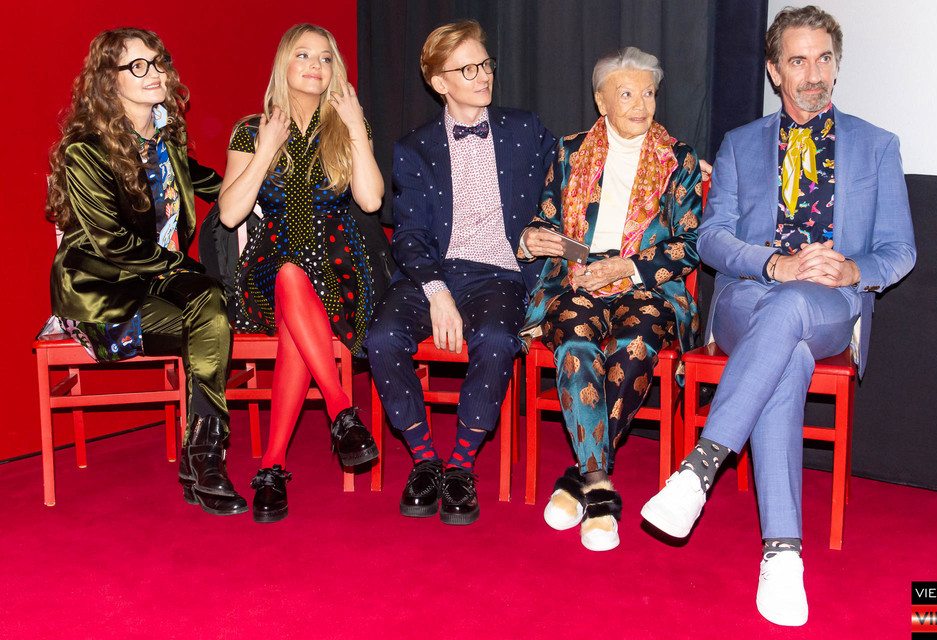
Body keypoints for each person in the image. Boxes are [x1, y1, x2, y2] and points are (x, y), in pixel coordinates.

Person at [641, 5, 916, 626]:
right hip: (746, 295)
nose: (812, 74)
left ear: (837, 66)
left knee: (792, 316)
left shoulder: (877, 145)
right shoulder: (740, 145)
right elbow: (712, 239)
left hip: (828, 304)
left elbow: (900, 249)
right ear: (774, 71)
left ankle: (700, 469)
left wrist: (850, 270)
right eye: (798, 60)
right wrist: (774, 264)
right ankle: (783, 555)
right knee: (783, 337)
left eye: (824, 59)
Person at [46, 28, 247, 516]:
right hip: (102, 292)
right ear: (107, 80)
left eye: (158, 62)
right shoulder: (86, 151)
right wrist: (186, 267)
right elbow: (112, 243)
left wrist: (265, 183)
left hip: (157, 279)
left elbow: (210, 182)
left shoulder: (164, 141)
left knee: (210, 306)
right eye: (138, 66)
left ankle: (203, 454)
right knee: (211, 317)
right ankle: (204, 459)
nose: (154, 73)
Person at [364, 20, 556, 525]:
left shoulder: (524, 129)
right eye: (467, 69)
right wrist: (437, 292)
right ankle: (425, 459)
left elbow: (576, 170)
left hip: (499, 273)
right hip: (430, 272)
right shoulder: (414, 148)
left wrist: (673, 161)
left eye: (485, 64)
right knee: (380, 338)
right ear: (438, 82)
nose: (483, 75)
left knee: (496, 339)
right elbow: (408, 235)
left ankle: (461, 466)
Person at [518, 47, 703, 552]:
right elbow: (547, 220)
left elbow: (689, 246)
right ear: (601, 101)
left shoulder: (679, 160)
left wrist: (627, 267)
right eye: (626, 94)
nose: (641, 104)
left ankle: (582, 479)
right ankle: (600, 487)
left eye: (649, 93)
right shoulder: (569, 151)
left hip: (646, 284)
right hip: (577, 280)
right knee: (575, 343)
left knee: (635, 345)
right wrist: (533, 237)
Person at [217, 23, 386, 523]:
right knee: (290, 275)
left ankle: (272, 467)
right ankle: (342, 411)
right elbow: (230, 213)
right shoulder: (252, 129)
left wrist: (355, 127)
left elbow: (371, 200)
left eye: (325, 57)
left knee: (298, 295)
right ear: (283, 64)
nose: (316, 65)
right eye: (303, 55)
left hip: (339, 265)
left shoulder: (347, 124)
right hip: (268, 266)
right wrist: (266, 149)